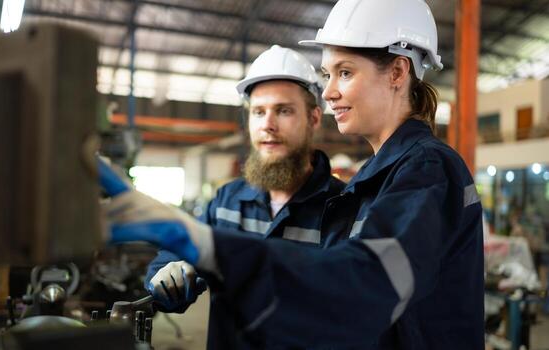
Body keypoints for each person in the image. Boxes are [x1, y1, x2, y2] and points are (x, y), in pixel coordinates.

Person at [100, 0, 485, 348]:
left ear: (398, 72)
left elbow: (366, 284)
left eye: (345, 72)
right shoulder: (375, 178)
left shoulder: (427, 168)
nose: (330, 92)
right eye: (327, 74)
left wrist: (211, 247)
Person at [144, 45, 346, 348]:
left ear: (314, 119)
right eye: (258, 112)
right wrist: (167, 277)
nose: (268, 124)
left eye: (284, 110)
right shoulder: (227, 201)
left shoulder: (343, 209)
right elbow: (174, 261)